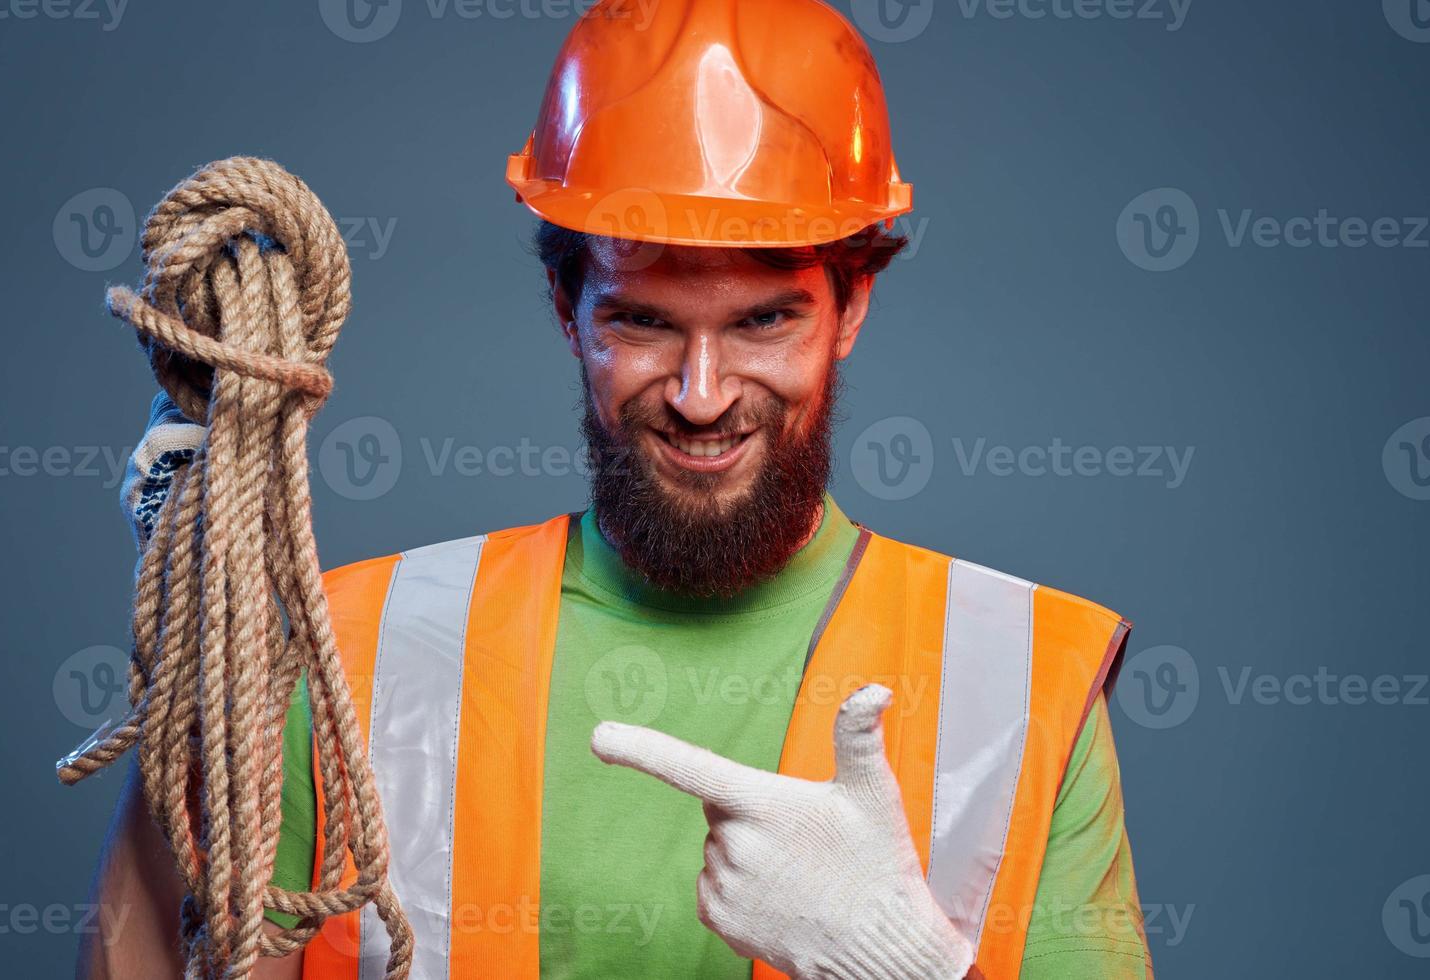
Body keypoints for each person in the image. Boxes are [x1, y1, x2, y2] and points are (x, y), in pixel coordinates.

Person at [80, 0, 1152, 977]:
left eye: (764, 319)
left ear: (852, 303)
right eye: (642, 319)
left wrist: (909, 967)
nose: (700, 393)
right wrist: (193, 655)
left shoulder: (1018, 681)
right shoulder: (351, 651)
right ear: (567, 304)